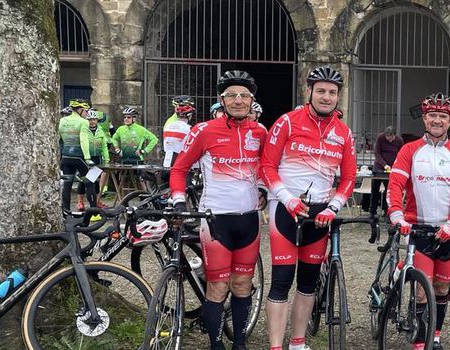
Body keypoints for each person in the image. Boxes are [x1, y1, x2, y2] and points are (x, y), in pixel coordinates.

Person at [260, 66, 357, 350]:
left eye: (332, 92)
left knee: (307, 283)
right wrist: (287, 198)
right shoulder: (288, 122)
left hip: (319, 215)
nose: (326, 97)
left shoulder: (343, 133)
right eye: (321, 91)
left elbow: (349, 178)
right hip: (286, 210)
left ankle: (298, 342)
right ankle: (276, 346)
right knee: (281, 281)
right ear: (309, 92)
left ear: (338, 96)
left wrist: (334, 206)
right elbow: (266, 165)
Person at [169, 70, 267, 350]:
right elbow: (179, 169)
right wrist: (178, 200)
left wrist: (262, 189)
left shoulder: (260, 132)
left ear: (251, 100)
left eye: (244, 95)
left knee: (242, 285)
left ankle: (239, 343)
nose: (238, 100)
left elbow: (266, 168)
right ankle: (215, 344)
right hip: (214, 220)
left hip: (249, 220)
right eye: (232, 95)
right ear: (221, 100)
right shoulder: (204, 130)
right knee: (218, 287)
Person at [388, 92, 450, 350]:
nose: (437, 120)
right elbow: (396, 183)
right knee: (422, 290)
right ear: (425, 119)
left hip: (447, 228)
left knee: (442, 287)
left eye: (442, 116)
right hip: (419, 228)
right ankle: (419, 341)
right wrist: (396, 213)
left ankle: (435, 336)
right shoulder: (410, 150)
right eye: (433, 115)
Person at [58, 98, 96, 211]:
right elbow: (83, 140)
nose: (87, 114)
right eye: (86, 111)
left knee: (67, 185)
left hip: (65, 157)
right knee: (90, 183)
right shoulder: (83, 122)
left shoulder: (62, 121)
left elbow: (59, 139)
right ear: (79, 110)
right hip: (80, 158)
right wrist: (88, 158)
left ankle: (66, 211)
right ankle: (94, 211)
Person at [371, 125, 404, 216]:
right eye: (387, 137)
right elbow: (377, 153)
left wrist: (396, 165)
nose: (389, 139)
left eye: (391, 137)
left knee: (388, 190)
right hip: (379, 167)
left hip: (392, 168)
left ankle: (387, 211)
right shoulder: (380, 138)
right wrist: (384, 165)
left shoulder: (399, 140)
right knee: (375, 190)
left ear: (394, 135)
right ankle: (373, 212)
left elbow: (401, 154)